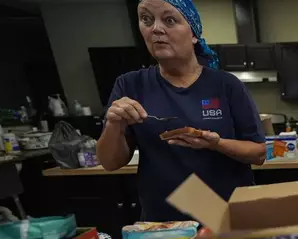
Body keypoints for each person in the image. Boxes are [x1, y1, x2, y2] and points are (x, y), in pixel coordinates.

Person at [96, 0, 265, 221]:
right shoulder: (130, 85)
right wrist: (114, 124)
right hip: (163, 223)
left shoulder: (226, 85)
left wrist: (216, 144)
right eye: (146, 19)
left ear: (193, 33)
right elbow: (110, 163)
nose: (156, 28)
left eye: (169, 20)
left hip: (225, 218)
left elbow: (259, 153)